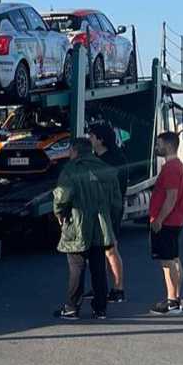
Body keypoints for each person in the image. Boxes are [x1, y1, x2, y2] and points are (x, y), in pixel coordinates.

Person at [52, 137, 121, 320]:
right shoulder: (106, 169)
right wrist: (111, 223)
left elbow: (62, 196)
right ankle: (100, 308)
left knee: (77, 267)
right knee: (98, 268)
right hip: (101, 226)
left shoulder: (70, 169)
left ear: (74, 151)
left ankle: (72, 307)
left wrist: (59, 213)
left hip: (78, 225)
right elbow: (116, 202)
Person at [148, 130, 183, 315]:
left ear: (168, 145)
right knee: (174, 259)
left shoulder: (171, 168)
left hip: (168, 222)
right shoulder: (177, 166)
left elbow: (171, 198)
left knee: (167, 262)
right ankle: (175, 299)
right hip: (175, 221)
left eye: (159, 144)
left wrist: (159, 220)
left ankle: (172, 302)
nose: (156, 147)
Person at [88, 122, 128, 303]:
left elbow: (114, 188)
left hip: (110, 210)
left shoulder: (115, 160)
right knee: (97, 251)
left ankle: (118, 289)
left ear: (101, 139)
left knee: (111, 249)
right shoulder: (95, 158)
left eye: (92, 136)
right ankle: (100, 286)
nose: (89, 139)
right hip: (95, 210)